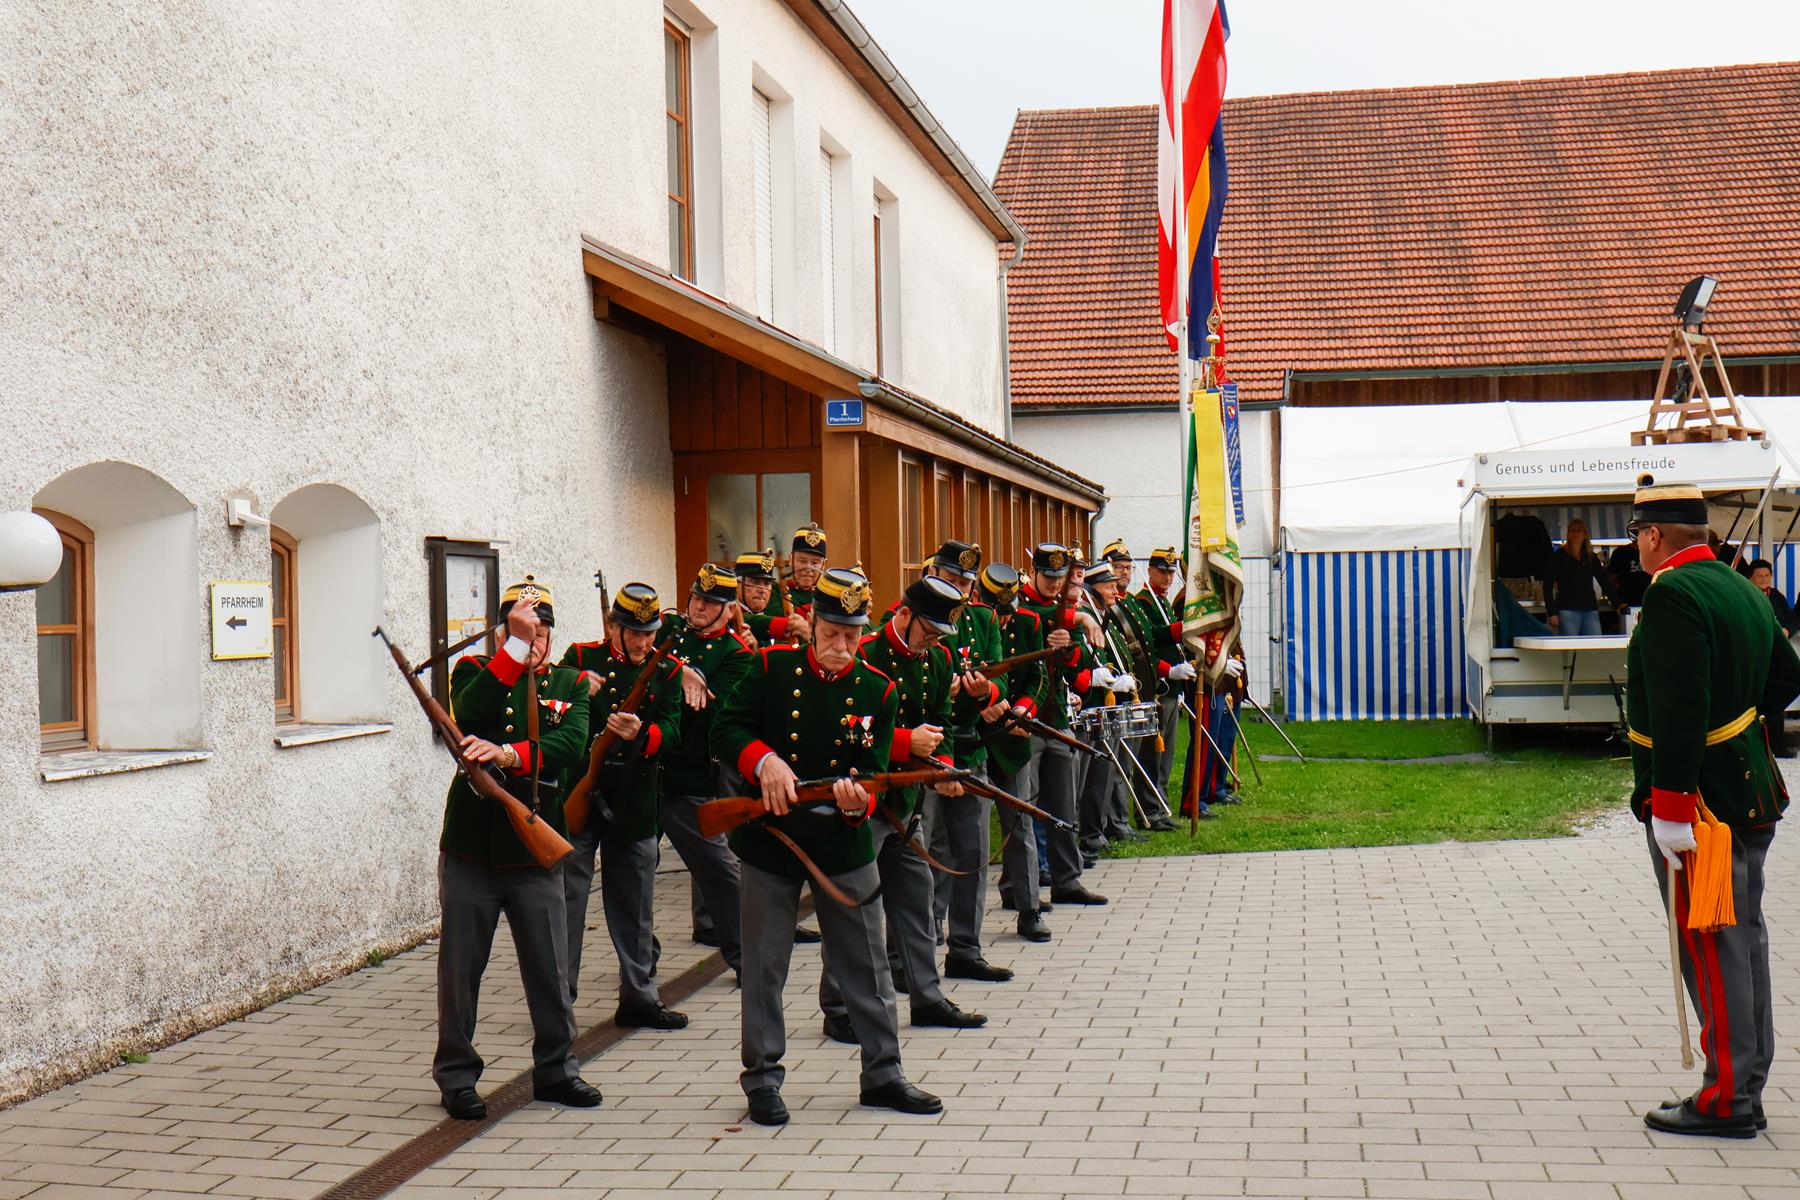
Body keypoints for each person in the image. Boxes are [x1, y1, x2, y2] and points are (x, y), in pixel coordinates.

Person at [709, 567, 941, 1126]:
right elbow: (726, 729)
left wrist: (858, 803)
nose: (841, 645)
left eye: (853, 635)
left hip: (841, 841)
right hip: (772, 836)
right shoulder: (770, 667)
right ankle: (763, 1078)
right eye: (832, 632)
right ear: (812, 623)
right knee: (764, 967)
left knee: (869, 966)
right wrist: (763, 761)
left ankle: (883, 1073)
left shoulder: (878, 689)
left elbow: (875, 771)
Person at [1628, 482, 1800, 1139]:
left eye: (1637, 536)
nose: (1637, 547)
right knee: (1743, 939)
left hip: (1702, 807)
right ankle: (1744, 1085)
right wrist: (1737, 729)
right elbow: (1787, 678)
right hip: (1750, 789)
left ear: (1653, 536)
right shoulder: (1739, 587)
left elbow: (1679, 708)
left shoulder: (1671, 593)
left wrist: (1670, 804)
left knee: (1713, 942)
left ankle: (1727, 1098)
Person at [434, 577, 600, 1120]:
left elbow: (571, 745)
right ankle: (457, 1075)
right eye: (525, 630)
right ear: (503, 633)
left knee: (550, 968)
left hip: (535, 847)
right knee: (460, 970)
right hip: (473, 848)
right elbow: (471, 711)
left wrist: (508, 756)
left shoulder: (570, 683)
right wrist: (513, 648)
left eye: (541, 631)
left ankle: (556, 1070)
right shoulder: (475, 670)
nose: (536, 640)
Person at [826, 574, 988, 1037]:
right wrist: (903, 742)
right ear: (903, 615)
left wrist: (945, 768)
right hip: (863, 802)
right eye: (929, 632)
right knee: (856, 910)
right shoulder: (866, 653)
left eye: (939, 636)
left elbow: (941, 722)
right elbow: (842, 723)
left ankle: (927, 996)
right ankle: (838, 1008)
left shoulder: (937, 658)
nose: (934, 643)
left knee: (916, 900)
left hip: (907, 803)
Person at [559, 582, 687, 1030]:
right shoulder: (580, 659)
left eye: (649, 633)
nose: (642, 642)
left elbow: (673, 729)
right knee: (568, 901)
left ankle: (639, 996)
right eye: (634, 632)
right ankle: (558, 999)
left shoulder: (668, 670)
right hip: (582, 792)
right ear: (613, 627)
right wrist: (578, 689)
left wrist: (643, 735)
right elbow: (553, 706)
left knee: (636, 905)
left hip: (634, 797)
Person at [915, 540, 1015, 982]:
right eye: (950, 578)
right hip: (926, 754)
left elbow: (1000, 680)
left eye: (964, 583)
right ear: (932, 574)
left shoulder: (984, 619)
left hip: (970, 748)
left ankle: (966, 949)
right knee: (923, 853)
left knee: (972, 853)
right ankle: (917, 948)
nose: (957, 589)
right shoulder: (910, 614)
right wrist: (941, 687)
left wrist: (983, 690)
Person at [661, 564, 757, 975]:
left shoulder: (736, 654)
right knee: (631, 875)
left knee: (720, 870)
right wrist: (679, 672)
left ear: (729, 609)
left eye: (710, 602)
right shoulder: (668, 630)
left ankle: (748, 959)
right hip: (642, 769)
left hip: (690, 774)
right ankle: (641, 968)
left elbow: (715, 716)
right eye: (696, 598)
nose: (699, 607)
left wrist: (667, 675)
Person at [1017, 544, 1107, 905]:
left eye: (1059, 577)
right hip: (1026, 718)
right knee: (1024, 809)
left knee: (1064, 807)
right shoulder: (1019, 605)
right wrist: (1079, 618)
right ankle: (1019, 886)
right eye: (1048, 577)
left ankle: (1066, 879)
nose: (1055, 584)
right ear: (1033, 573)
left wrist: (1068, 645)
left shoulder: (1061, 609)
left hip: (1056, 715)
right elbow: (1027, 622)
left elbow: (1077, 661)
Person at [979, 562, 1052, 942]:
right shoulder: (969, 623)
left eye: (1008, 612)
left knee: (1021, 825)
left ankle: (1029, 909)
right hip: (974, 739)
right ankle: (943, 920)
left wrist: (1025, 707)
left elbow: (1037, 676)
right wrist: (981, 704)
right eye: (998, 612)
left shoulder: (1028, 623)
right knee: (966, 838)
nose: (1004, 621)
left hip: (1013, 737)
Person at [1136, 547, 1198, 801]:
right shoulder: (1144, 602)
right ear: (1150, 570)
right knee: (1154, 751)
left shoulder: (1161, 601)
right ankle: (1152, 802)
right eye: (1162, 572)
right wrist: (1181, 629)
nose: (1168, 578)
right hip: (1159, 685)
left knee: (1167, 751)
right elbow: (1150, 640)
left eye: (1171, 573)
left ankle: (1161, 800)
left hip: (1174, 687)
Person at [1749, 559, 1797, 759]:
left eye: (1766, 575)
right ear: (1750, 578)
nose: (1763, 579)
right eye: (1759, 575)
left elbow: (1792, 618)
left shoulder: (1776, 596)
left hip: (1774, 656)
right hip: (1754, 655)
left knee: (1776, 699)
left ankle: (1777, 745)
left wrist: (1787, 629)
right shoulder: (1746, 594)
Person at [1542, 518, 1618, 636]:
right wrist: (1551, 612)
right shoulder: (1559, 556)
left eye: (1579, 531)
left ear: (1585, 535)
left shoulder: (1591, 557)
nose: (1575, 534)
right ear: (1568, 534)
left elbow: (1604, 581)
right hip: (1567, 609)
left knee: (1595, 643)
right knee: (1570, 645)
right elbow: (1547, 585)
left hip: (1590, 609)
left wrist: (1617, 603)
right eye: (1572, 530)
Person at [737, 547, 811, 648]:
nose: (762, 590)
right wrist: (787, 625)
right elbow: (752, 621)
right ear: (737, 584)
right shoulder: (729, 616)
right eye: (755, 582)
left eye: (767, 583)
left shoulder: (767, 613)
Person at [785, 523, 828, 613]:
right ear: (791, 560)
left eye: (815, 562)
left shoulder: (829, 597)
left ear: (823, 564)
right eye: (802, 561)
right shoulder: (775, 592)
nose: (808, 568)